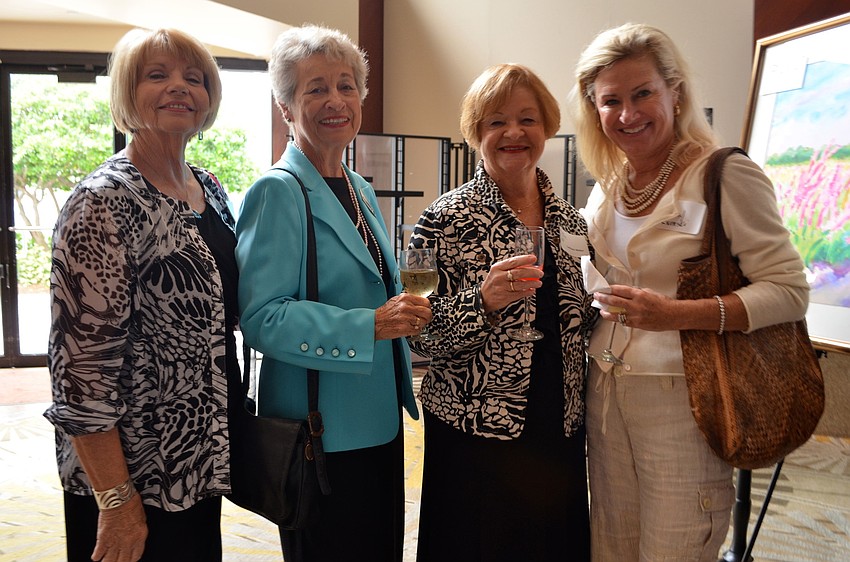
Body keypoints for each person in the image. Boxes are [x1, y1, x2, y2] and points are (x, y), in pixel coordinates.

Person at [569, 23, 810, 561]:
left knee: (675, 549)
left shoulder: (724, 174)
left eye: (643, 94)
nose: (628, 114)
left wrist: (675, 314)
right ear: (595, 110)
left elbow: (790, 291)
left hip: (687, 394)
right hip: (605, 392)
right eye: (611, 101)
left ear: (675, 92)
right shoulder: (610, 186)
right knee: (611, 548)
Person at [44, 28, 238, 562]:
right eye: (158, 75)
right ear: (129, 93)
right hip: (133, 475)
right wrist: (116, 501)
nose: (179, 87)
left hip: (195, 462)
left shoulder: (208, 189)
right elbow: (79, 377)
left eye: (193, 78)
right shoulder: (102, 202)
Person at [235, 25, 422, 562]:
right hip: (318, 436)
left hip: (378, 422)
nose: (336, 100)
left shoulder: (359, 188)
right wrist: (370, 326)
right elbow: (262, 317)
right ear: (286, 106)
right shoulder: (277, 190)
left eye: (347, 85)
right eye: (315, 88)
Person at [407, 63, 596, 562]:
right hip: (475, 434)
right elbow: (416, 335)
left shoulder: (573, 222)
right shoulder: (438, 221)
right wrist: (483, 302)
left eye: (527, 119)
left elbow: (583, 318)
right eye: (496, 121)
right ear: (476, 133)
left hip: (558, 426)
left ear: (547, 127)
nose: (514, 132)